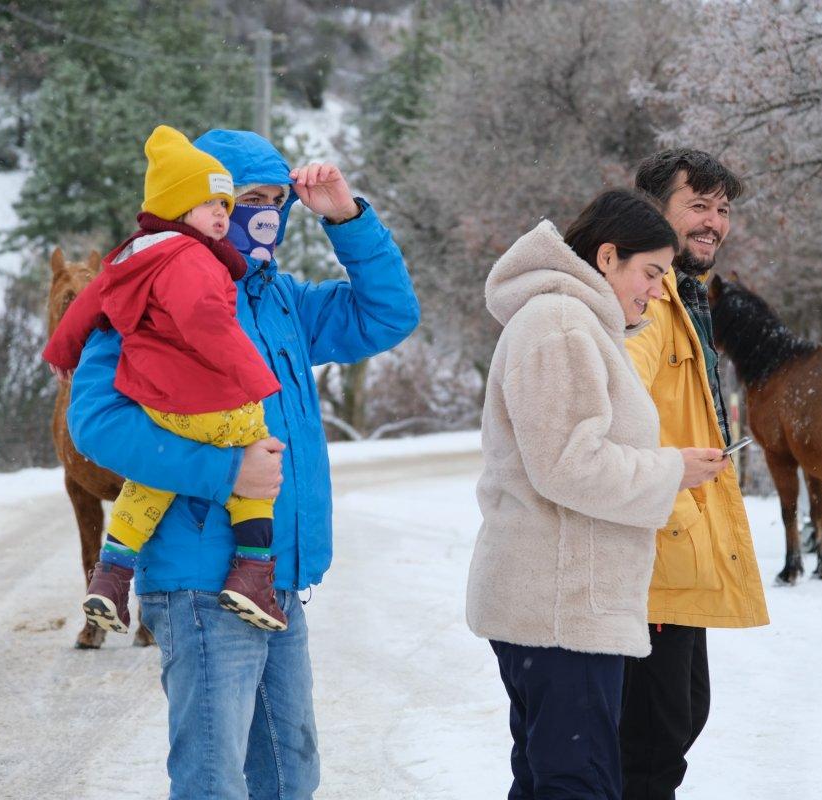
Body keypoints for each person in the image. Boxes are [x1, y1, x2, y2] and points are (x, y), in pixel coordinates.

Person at [65, 127, 419, 798]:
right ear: (204, 201)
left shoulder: (279, 300)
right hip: (200, 583)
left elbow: (389, 315)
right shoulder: (149, 291)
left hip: (277, 579)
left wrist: (346, 217)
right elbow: (96, 423)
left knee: (290, 772)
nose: (261, 213)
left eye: (276, 200)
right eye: (244, 197)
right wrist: (224, 473)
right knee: (213, 780)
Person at [466, 188, 730, 800]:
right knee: (576, 785)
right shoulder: (560, 324)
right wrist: (670, 470)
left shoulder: (574, 322)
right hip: (561, 609)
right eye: (651, 272)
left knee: (551, 779)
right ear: (608, 257)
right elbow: (567, 465)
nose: (658, 291)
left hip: (561, 606)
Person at [45, 124, 289, 633]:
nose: (223, 215)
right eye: (213, 205)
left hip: (161, 406)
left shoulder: (132, 254)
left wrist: (62, 349)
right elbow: (206, 320)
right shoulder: (190, 257)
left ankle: (111, 574)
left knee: (150, 484)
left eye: (227, 205)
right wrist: (256, 377)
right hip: (213, 402)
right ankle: (252, 571)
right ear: (180, 209)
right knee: (256, 465)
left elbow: (87, 305)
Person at [619, 149, 770, 799]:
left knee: (678, 721)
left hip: (683, 546)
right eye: (698, 206)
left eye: (723, 210)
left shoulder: (689, 298)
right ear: (656, 211)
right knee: (648, 746)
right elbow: (607, 403)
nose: (714, 223)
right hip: (649, 549)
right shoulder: (649, 302)